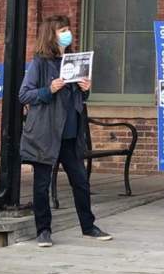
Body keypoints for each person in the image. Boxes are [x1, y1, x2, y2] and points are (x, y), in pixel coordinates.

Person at [19, 14, 113, 248]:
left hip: (71, 133)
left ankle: (88, 226)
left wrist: (85, 89)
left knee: (80, 181)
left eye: (68, 29)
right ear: (51, 34)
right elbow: (24, 94)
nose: (67, 33)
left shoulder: (74, 60)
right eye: (62, 30)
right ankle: (43, 230)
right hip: (46, 133)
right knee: (41, 184)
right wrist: (48, 89)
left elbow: (79, 99)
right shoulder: (40, 63)